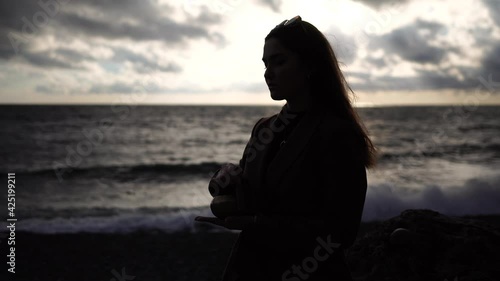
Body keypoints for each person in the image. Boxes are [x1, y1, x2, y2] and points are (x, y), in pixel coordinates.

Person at [195, 15, 376, 281]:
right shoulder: (263, 129)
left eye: (279, 62)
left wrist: (257, 224)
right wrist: (228, 185)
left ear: (310, 65)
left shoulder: (337, 133)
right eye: (266, 64)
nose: (268, 73)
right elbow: (253, 198)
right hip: (249, 268)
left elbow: (342, 231)